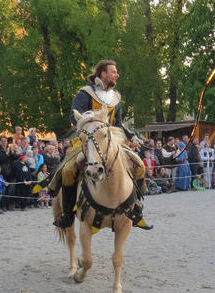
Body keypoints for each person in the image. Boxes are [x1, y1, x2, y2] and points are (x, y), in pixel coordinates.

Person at [42, 60, 148, 229]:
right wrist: (93, 122)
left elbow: (118, 123)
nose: (117, 75)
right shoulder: (85, 94)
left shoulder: (116, 97)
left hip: (111, 140)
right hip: (88, 139)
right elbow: (73, 116)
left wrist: (131, 136)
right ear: (103, 74)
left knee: (140, 165)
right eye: (113, 72)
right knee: (69, 170)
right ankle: (68, 215)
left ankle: (133, 207)